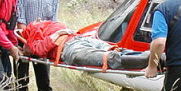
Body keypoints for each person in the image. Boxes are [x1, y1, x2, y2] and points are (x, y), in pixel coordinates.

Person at [16, 0, 59, 91]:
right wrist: (27, 43)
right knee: (21, 79)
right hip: (24, 40)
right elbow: (19, 18)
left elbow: (53, 21)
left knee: (44, 80)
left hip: (44, 43)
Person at [20, 20, 150, 69]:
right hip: (78, 41)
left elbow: (38, 50)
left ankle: (144, 59)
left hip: (71, 46)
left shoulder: (32, 29)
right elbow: (39, 50)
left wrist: (57, 34)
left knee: (108, 54)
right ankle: (146, 58)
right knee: (109, 53)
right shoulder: (47, 25)